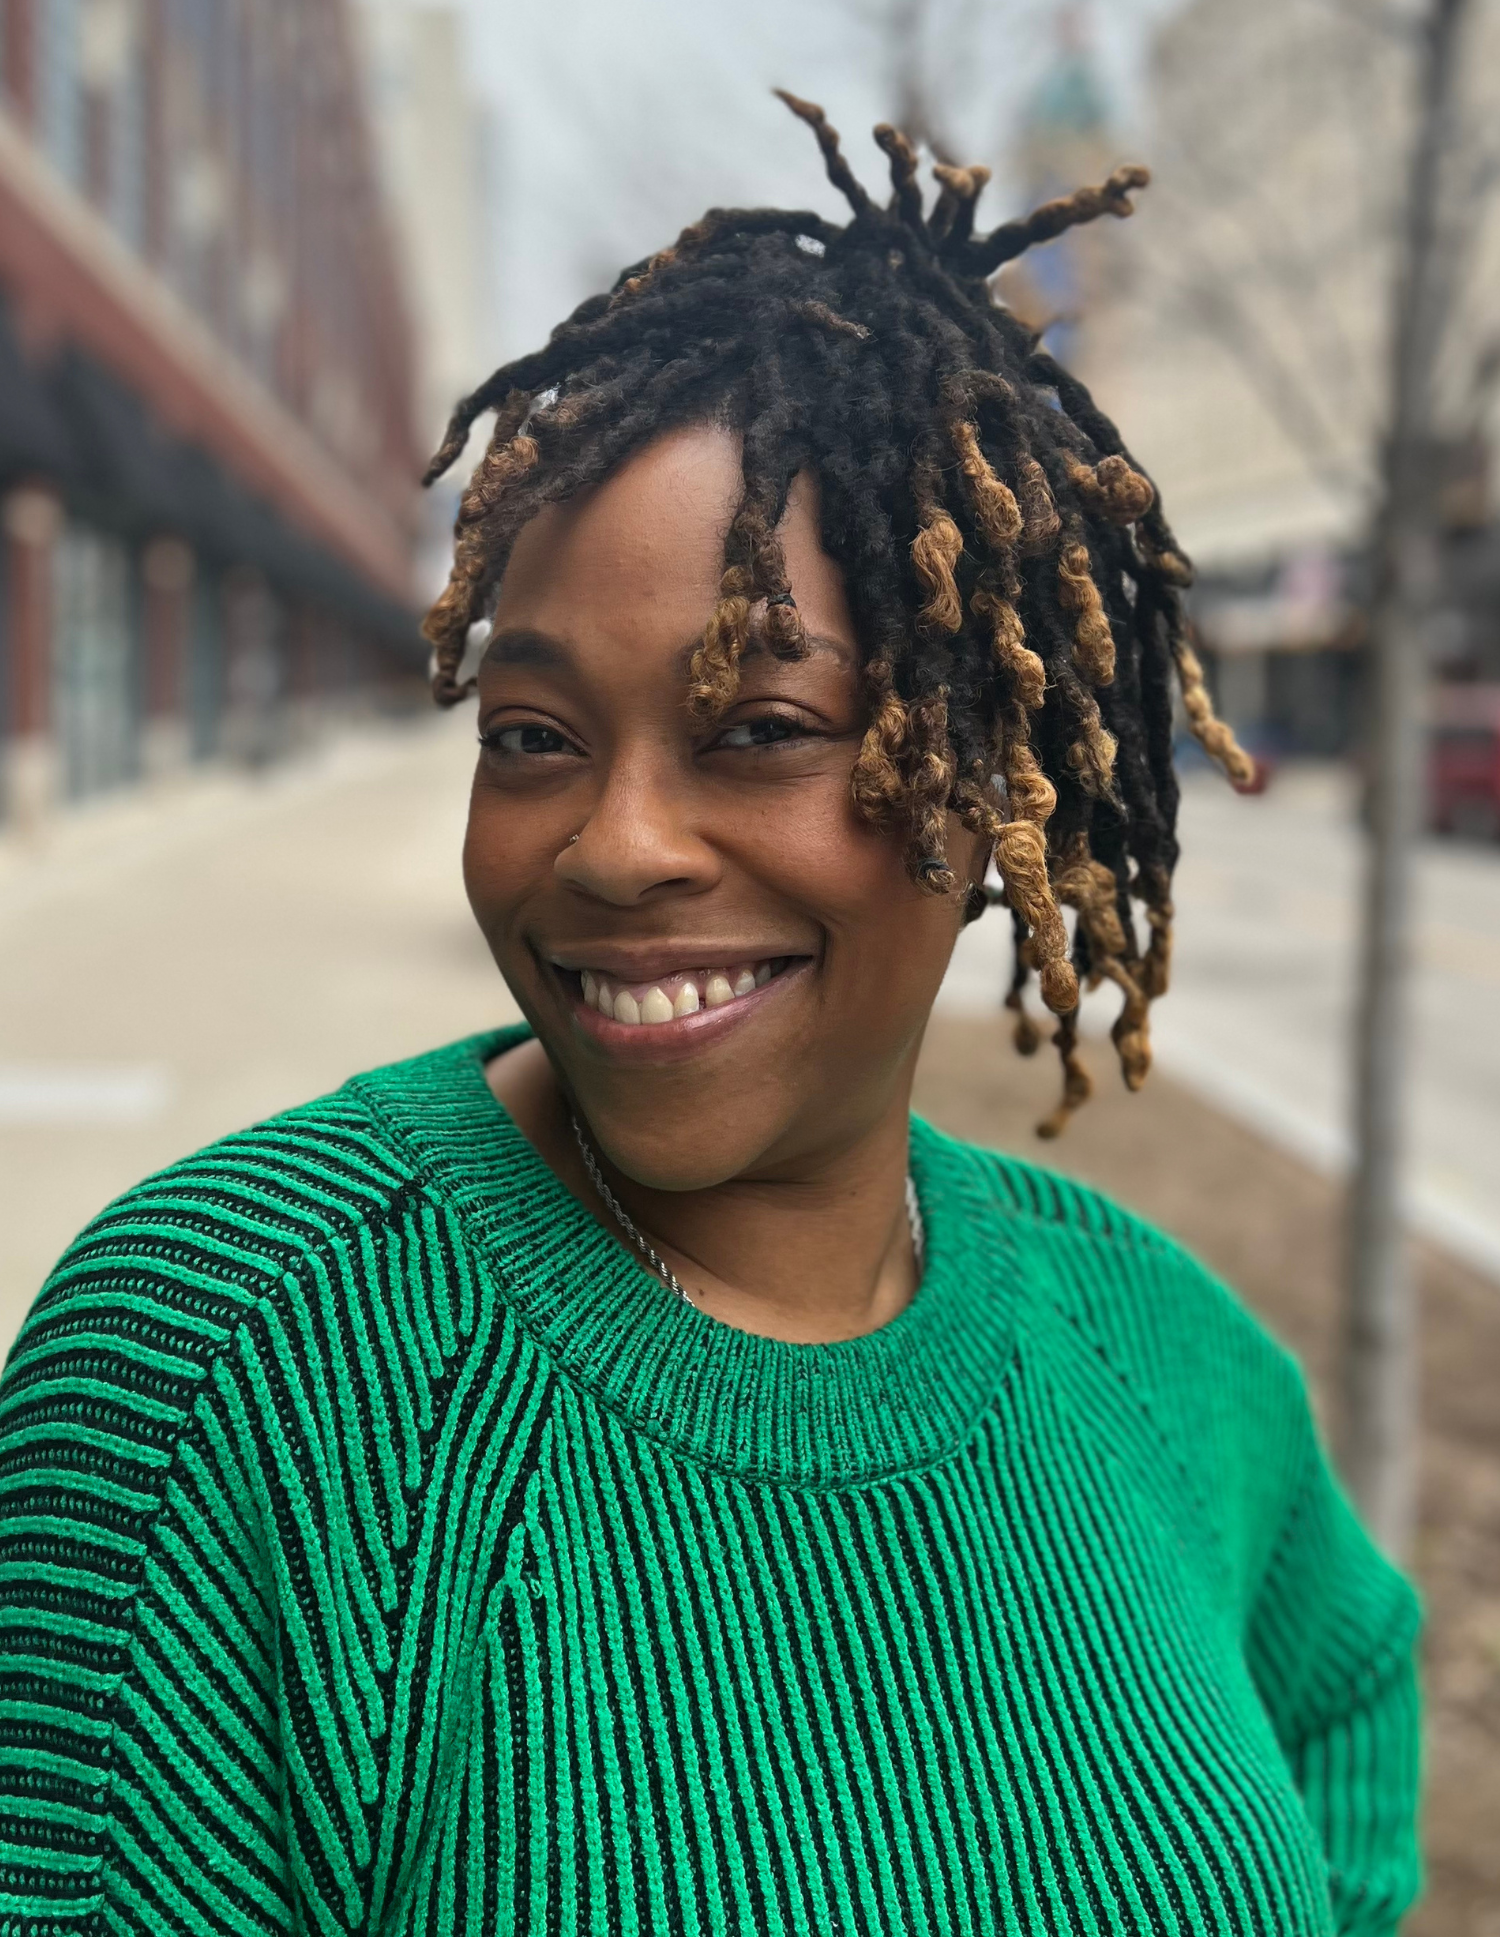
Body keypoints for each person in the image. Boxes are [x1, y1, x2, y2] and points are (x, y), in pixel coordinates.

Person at [0, 98, 1418, 1934]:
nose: (615, 844)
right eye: (533, 736)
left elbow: (1349, 1694)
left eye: (761, 729)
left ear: (1002, 784)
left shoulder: (1161, 1353)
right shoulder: (223, 1368)